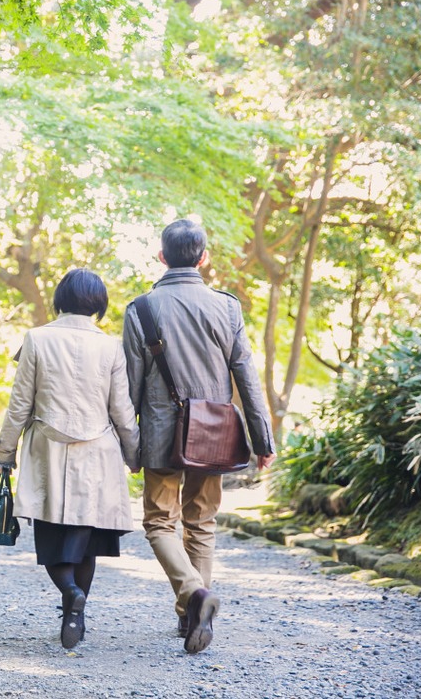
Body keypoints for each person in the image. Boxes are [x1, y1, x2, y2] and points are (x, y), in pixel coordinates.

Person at [121, 218, 275, 655]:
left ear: (161, 256)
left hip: (159, 433)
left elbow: (130, 386)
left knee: (158, 521)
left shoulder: (141, 309)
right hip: (214, 432)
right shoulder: (227, 307)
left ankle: (193, 595)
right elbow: (246, 375)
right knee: (201, 523)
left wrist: (130, 446)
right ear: (204, 258)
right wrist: (262, 440)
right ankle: (192, 615)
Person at [0, 268, 140, 650]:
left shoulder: (37, 339)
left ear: (61, 298)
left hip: (49, 449)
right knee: (85, 538)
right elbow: (122, 410)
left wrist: (5, 452)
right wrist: (134, 454)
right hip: (98, 454)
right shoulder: (111, 346)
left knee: (52, 535)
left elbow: (19, 405)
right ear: (99, 303)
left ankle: (71, 593)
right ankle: (77, 611)